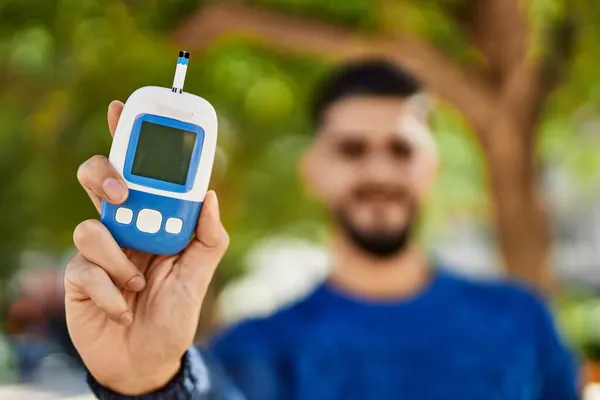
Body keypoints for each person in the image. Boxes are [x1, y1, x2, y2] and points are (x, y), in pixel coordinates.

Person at [66, 60, 579, 399]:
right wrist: (148, 381)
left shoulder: (523, 323)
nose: (379, 172)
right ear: (312, 169)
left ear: (432, 167)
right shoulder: (260, 350)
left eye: (401, 149)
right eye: (352, 149)